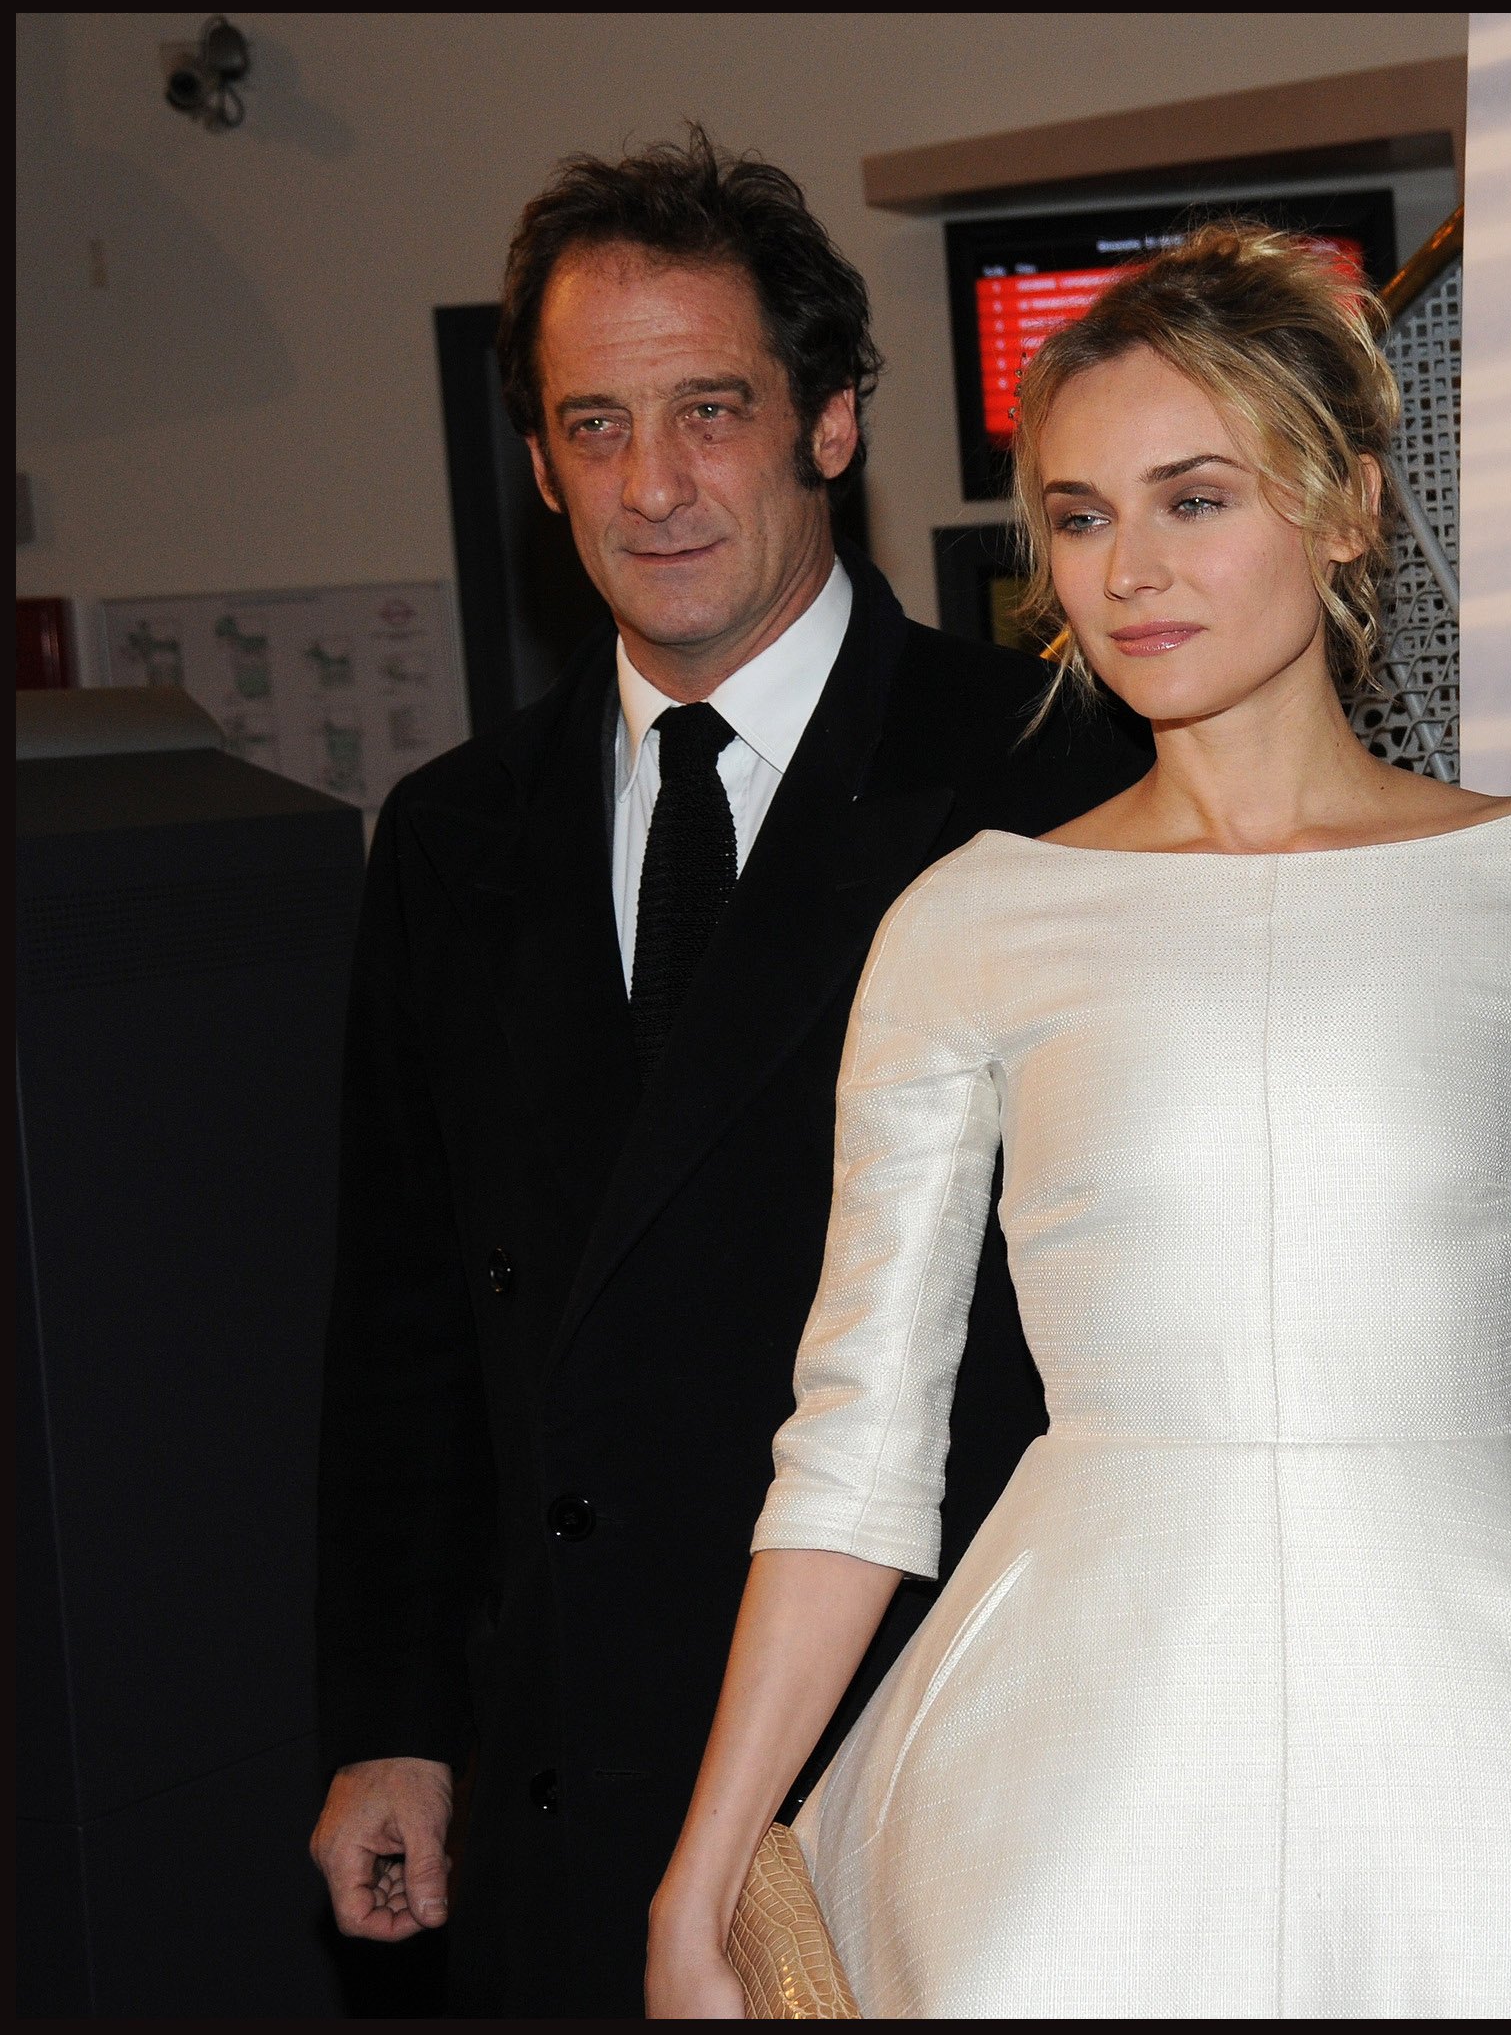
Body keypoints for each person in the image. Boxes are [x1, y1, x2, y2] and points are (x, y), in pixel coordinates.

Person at [643, 225, 1511, 2018]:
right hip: (1069, 1743)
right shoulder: (971, 920)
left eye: (1193, 499)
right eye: (1080, 516)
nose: (1128, 571)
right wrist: (705, 1865)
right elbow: (858, 1442)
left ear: (1343, 506)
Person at [306, 132, 1143, 2015]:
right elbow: (405, 1331)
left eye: (709, 411)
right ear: (538, 467)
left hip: (937, 1762)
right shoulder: (450, 835)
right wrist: (391, 1719)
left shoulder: (1054, 779)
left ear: (830, 421)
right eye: (592, 427)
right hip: (570, 1776)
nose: (653, 484)